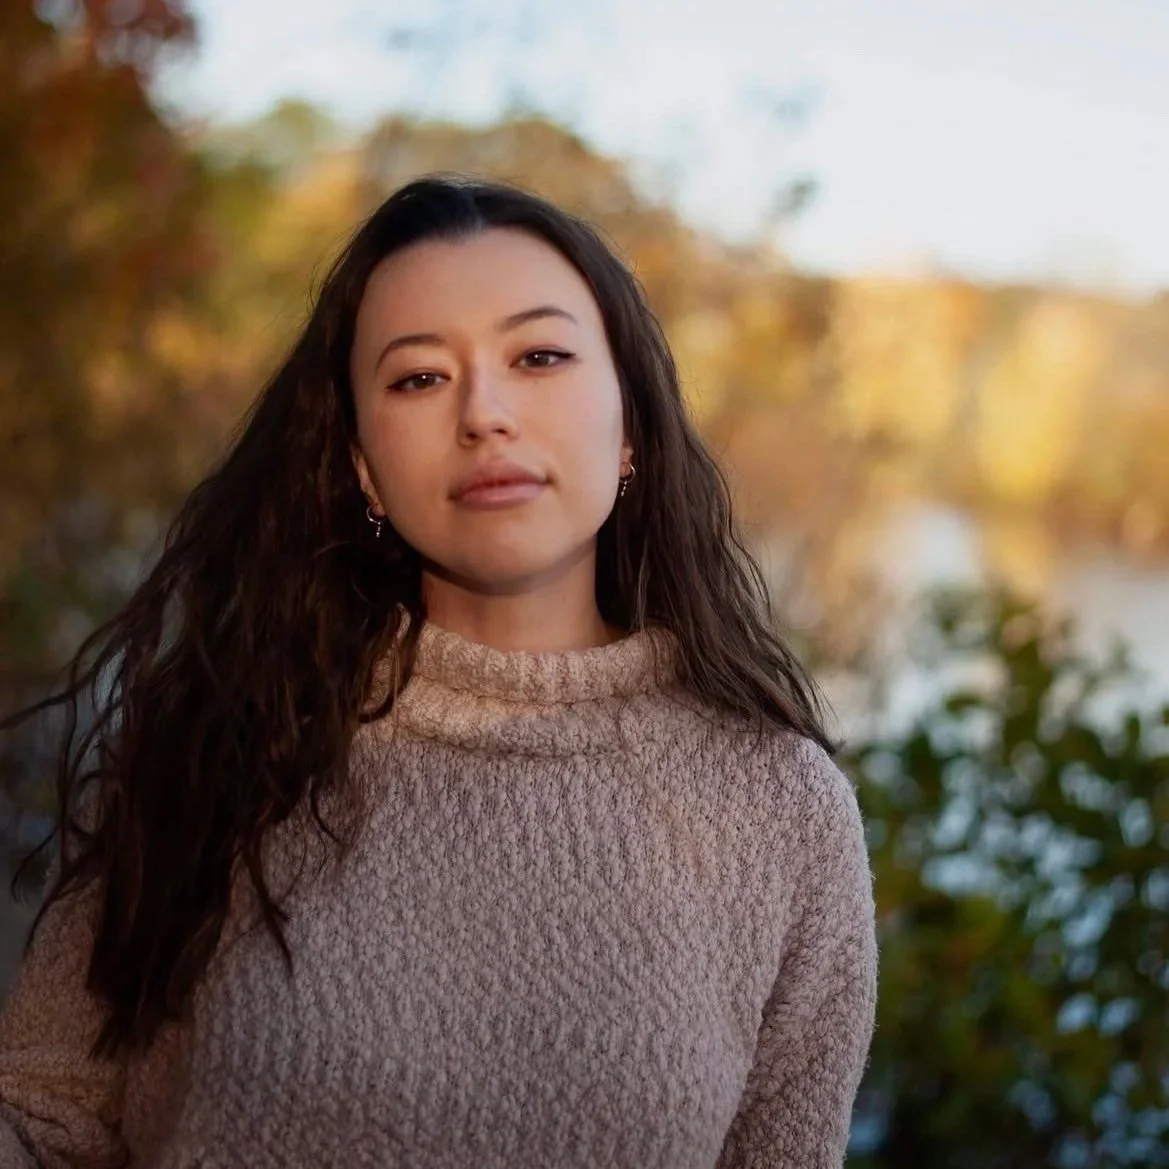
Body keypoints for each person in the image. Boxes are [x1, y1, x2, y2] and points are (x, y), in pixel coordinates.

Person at [0, 175, 877, 1168]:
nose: (484, 413)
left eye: (538, 355)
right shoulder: (216, 738)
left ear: (629, 424)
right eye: (418, 377)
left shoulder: (780, 813)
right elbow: (48, 1119)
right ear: (363, 467)